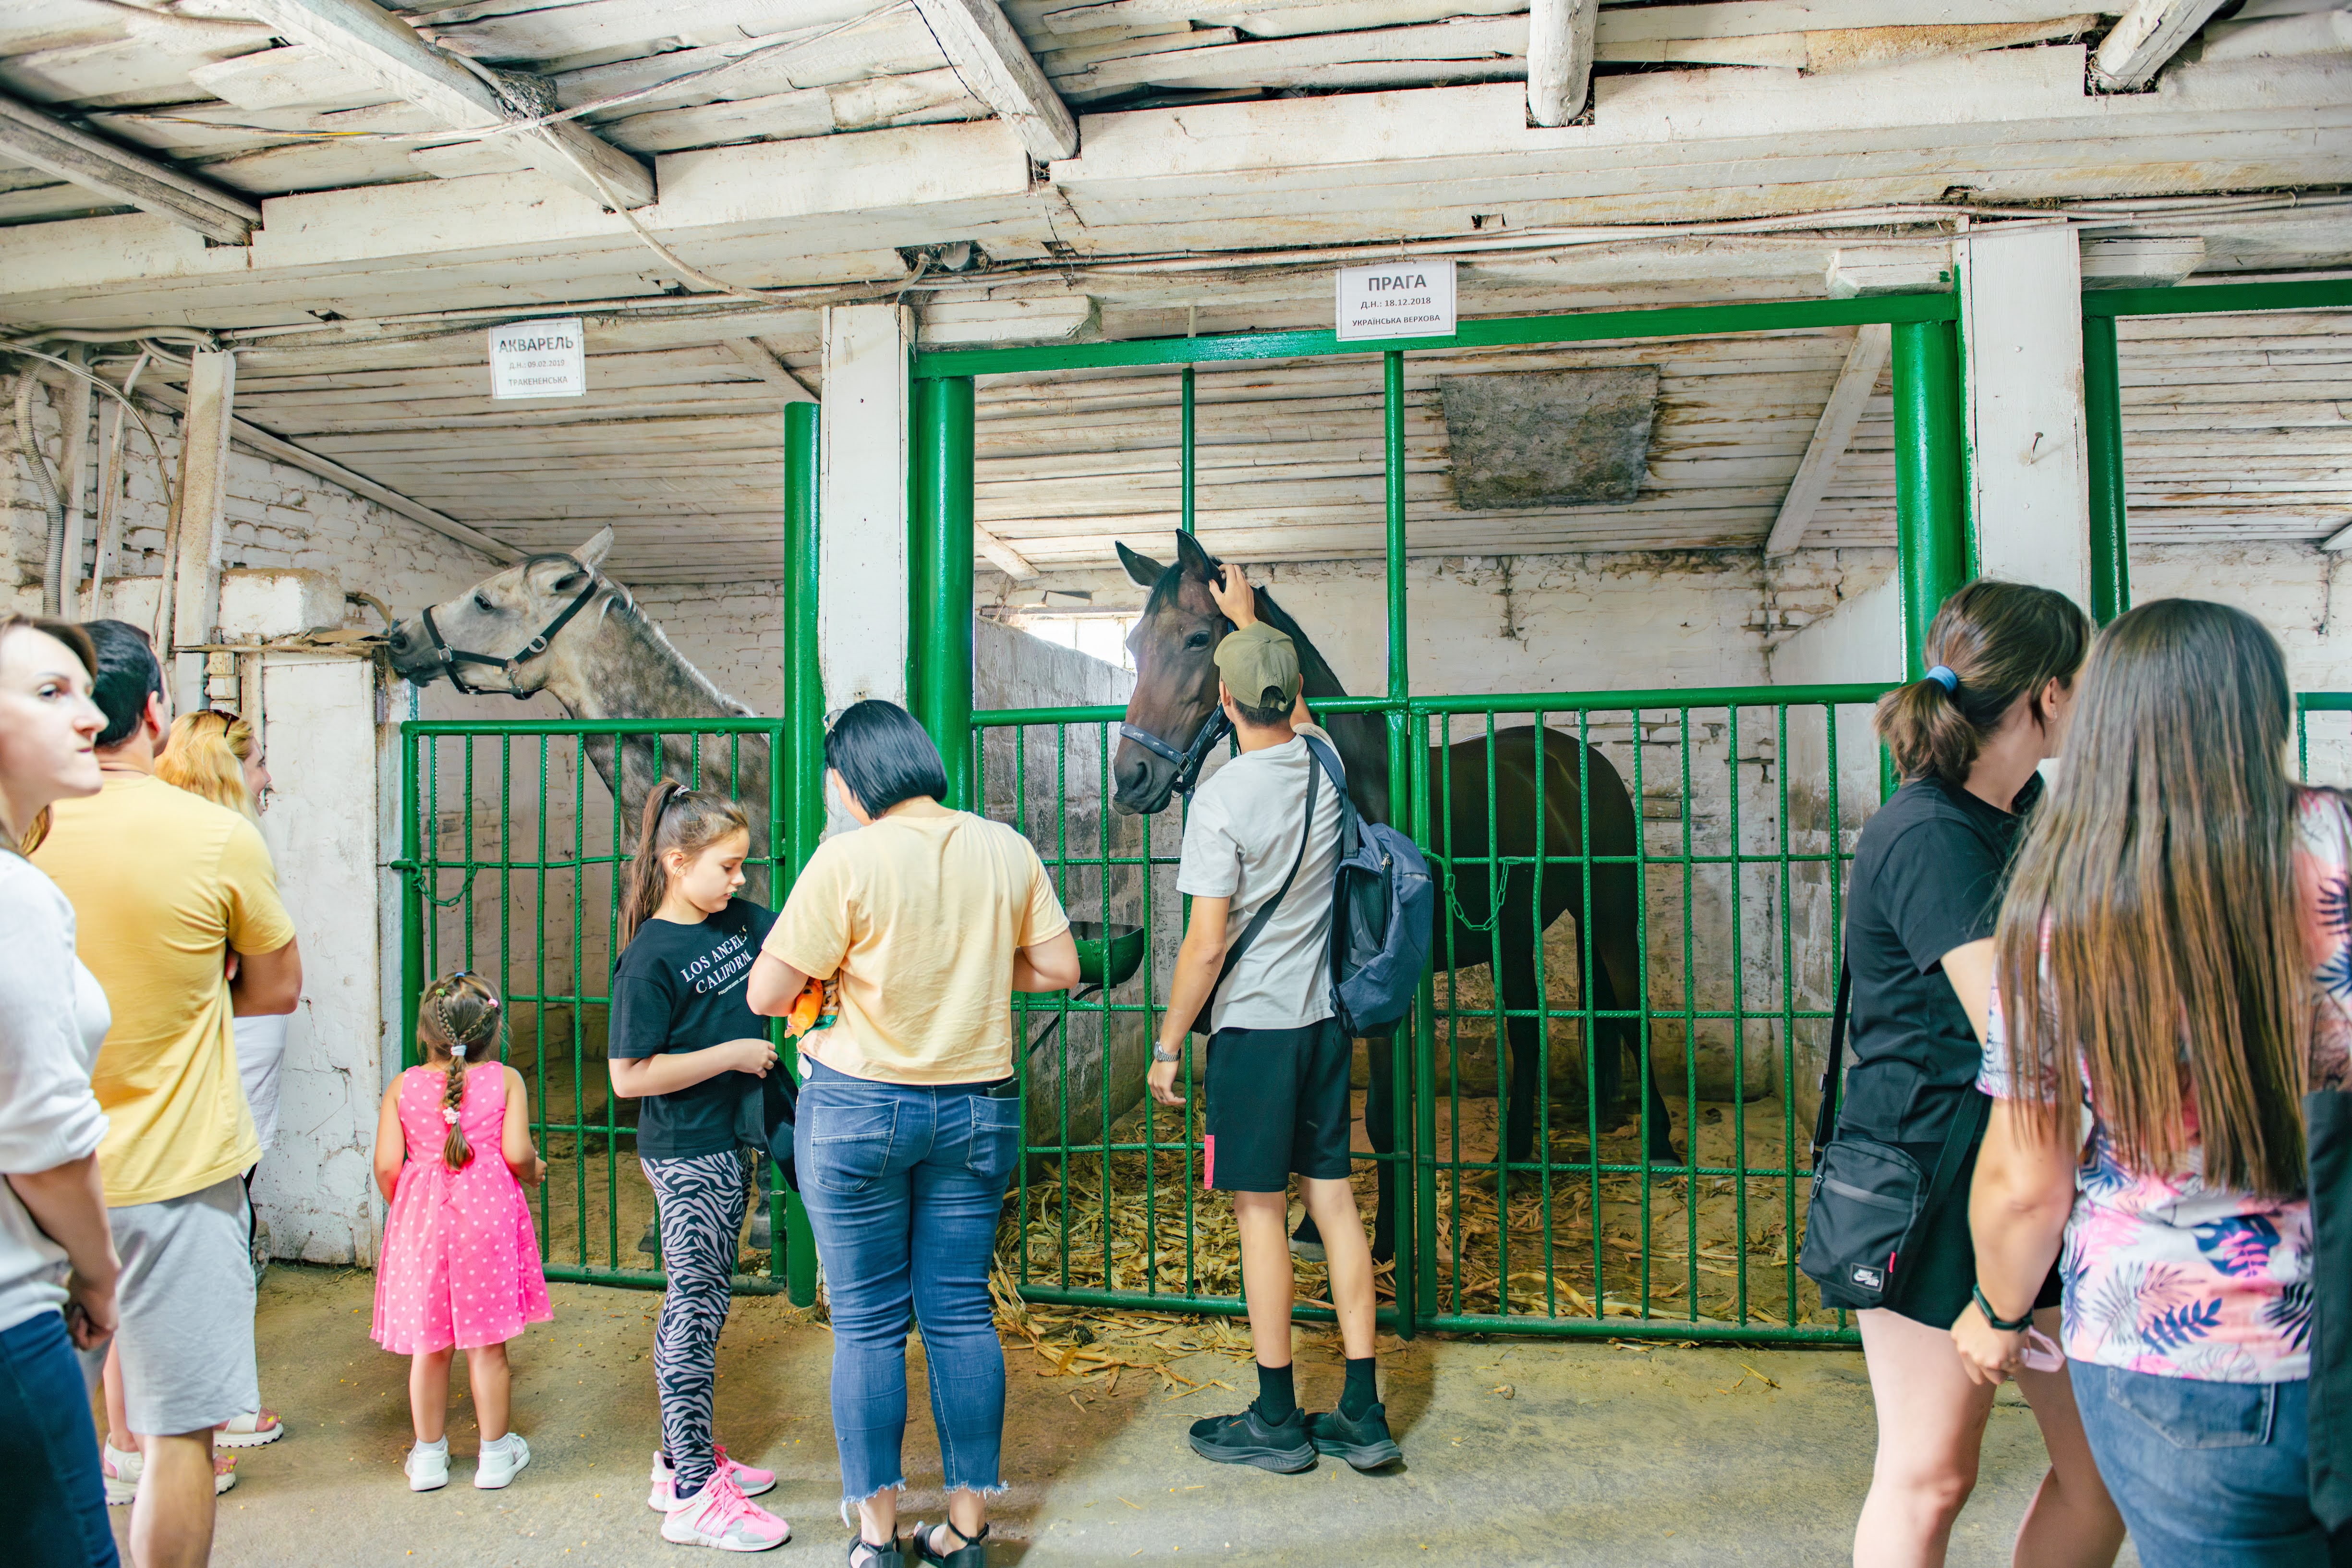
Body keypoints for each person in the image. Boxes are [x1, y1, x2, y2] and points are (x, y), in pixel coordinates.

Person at [1956, 599, 2351, 1567]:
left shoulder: (2064, 894)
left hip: (2170, 1353)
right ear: (2265, 711)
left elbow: (2025, 1178)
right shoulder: (2337, 837)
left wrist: (1997, 1312)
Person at [748, 700, 1078, 1568]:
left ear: (850, 781)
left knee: (865, 1325)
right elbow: (1059, 967)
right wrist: (963, 959)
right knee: (962, 1313)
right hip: (977, 1109)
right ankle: (967, 1532)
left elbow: (767, 994)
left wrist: (868, 966)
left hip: (858, 1108)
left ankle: (878, 1539)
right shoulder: (1004, 847)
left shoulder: (845, 859)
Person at [1832, 581, 2122, 1567]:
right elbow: (2024, 1028)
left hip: (2033, 1162)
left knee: (2104, 1476)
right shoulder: (1927, 832)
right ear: (2046, 696)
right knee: (1930, 1473)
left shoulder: (2025, 810)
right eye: (2080, 683)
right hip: (1933, 1172)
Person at [33, 620, 301, 1568]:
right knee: (182, 1435)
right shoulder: (216, 835)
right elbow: (273, 988)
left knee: (42, 1420)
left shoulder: (22, 838)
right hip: (176, 1176)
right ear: (155, 710)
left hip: (31, 1175)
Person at [1143, 562, 1396, 1476]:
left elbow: (1205, 949)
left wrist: (1168, 1045)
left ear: (1221, 697)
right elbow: (1296, 713)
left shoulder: (1218, 801)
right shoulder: (1324, 764)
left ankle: (1278, 1417)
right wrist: (1248, 621)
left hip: (1253, 1036)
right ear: (1287, 696)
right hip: (1328, 1025)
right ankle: (1363, 1411)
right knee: (1333, 1203)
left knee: (1260, 1215)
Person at [607, 782, 790, 1552]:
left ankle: (677, 1458)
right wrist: (731, 1055)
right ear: (677, 864)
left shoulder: (740, 920)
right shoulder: (648, 957)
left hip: (728, 1138)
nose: (741, 880)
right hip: (685, 1151)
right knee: (694, 1306)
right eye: (727, 866)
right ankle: (690, 1492)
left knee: (706, 1299)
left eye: (743, 865)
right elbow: (628, 1076)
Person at [0, 613, 121, 1568]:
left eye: (84, 689)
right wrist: (98, 1276)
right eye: (51, 693)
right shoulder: (16, 895)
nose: (92, 716)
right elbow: (44, 1142)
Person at [151, 706, 287, 1449]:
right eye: (258, 760)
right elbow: (277, 979)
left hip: (194, 1058)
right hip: (230, 1055)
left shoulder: (159, 836)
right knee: (222, 1221)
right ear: (229, 769)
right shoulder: (226, 845)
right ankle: (222, 1402)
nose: (268, 775)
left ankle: (152, 1426)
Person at [370, 971, 550, 1492]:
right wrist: (536, 1171)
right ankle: (495, 1455)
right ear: (492, 1032)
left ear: (426, 1033)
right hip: (487, 1221)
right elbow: (517, 1154)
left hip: (423, 1224)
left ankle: (428, 1456)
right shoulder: (505, 1080)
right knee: (487, 1344)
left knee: (430, 1346)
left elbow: (387, 1165)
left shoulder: (402, 1086)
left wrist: (409, 1208)